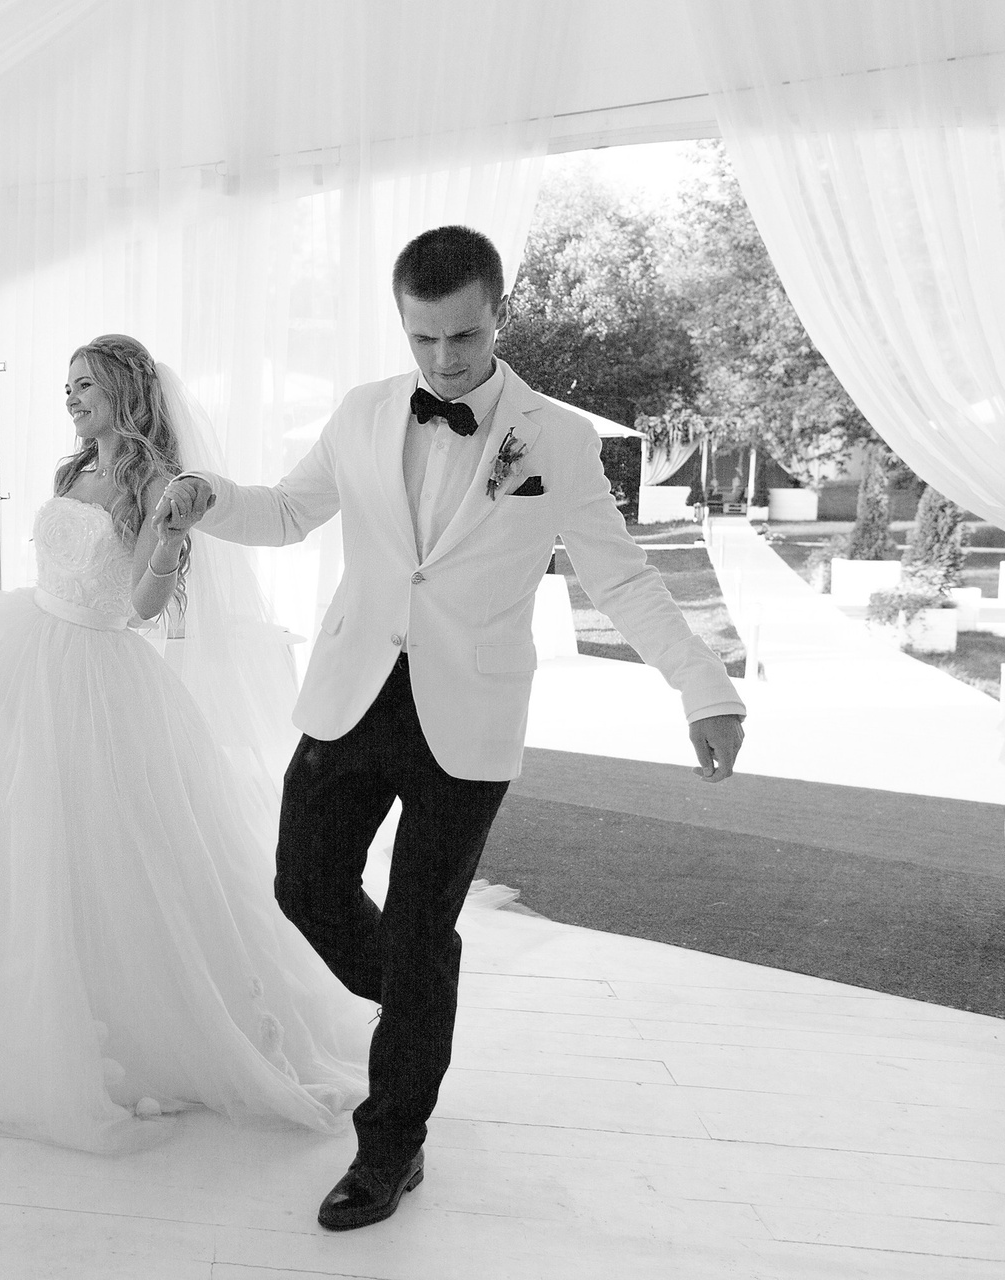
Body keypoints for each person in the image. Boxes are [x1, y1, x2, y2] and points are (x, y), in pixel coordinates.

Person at [160, 225, 747, 1230]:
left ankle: (390, 1146)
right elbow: (286, 513)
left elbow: (621, 579)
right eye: (423, 338)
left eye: (464, 336)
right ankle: (422, 989)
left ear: (499, 313)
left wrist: (705, 689)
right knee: (305, 886)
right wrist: (207, 496)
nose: (443, 359)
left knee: (421, 926)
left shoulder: (557, 439)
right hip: (353, 692)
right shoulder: (362, 411)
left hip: (469, 717)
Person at [0, 334, 369, 1154]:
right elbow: (53, 571)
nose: (72, 398)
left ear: (125, 390)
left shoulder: (156, 483)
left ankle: (100, 1010)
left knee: (93, 846)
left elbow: (145, 606)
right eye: (68, 387)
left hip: (94, 672)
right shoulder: (72, 469)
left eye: (85, 385)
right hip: (24, 638)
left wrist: (169, 540)